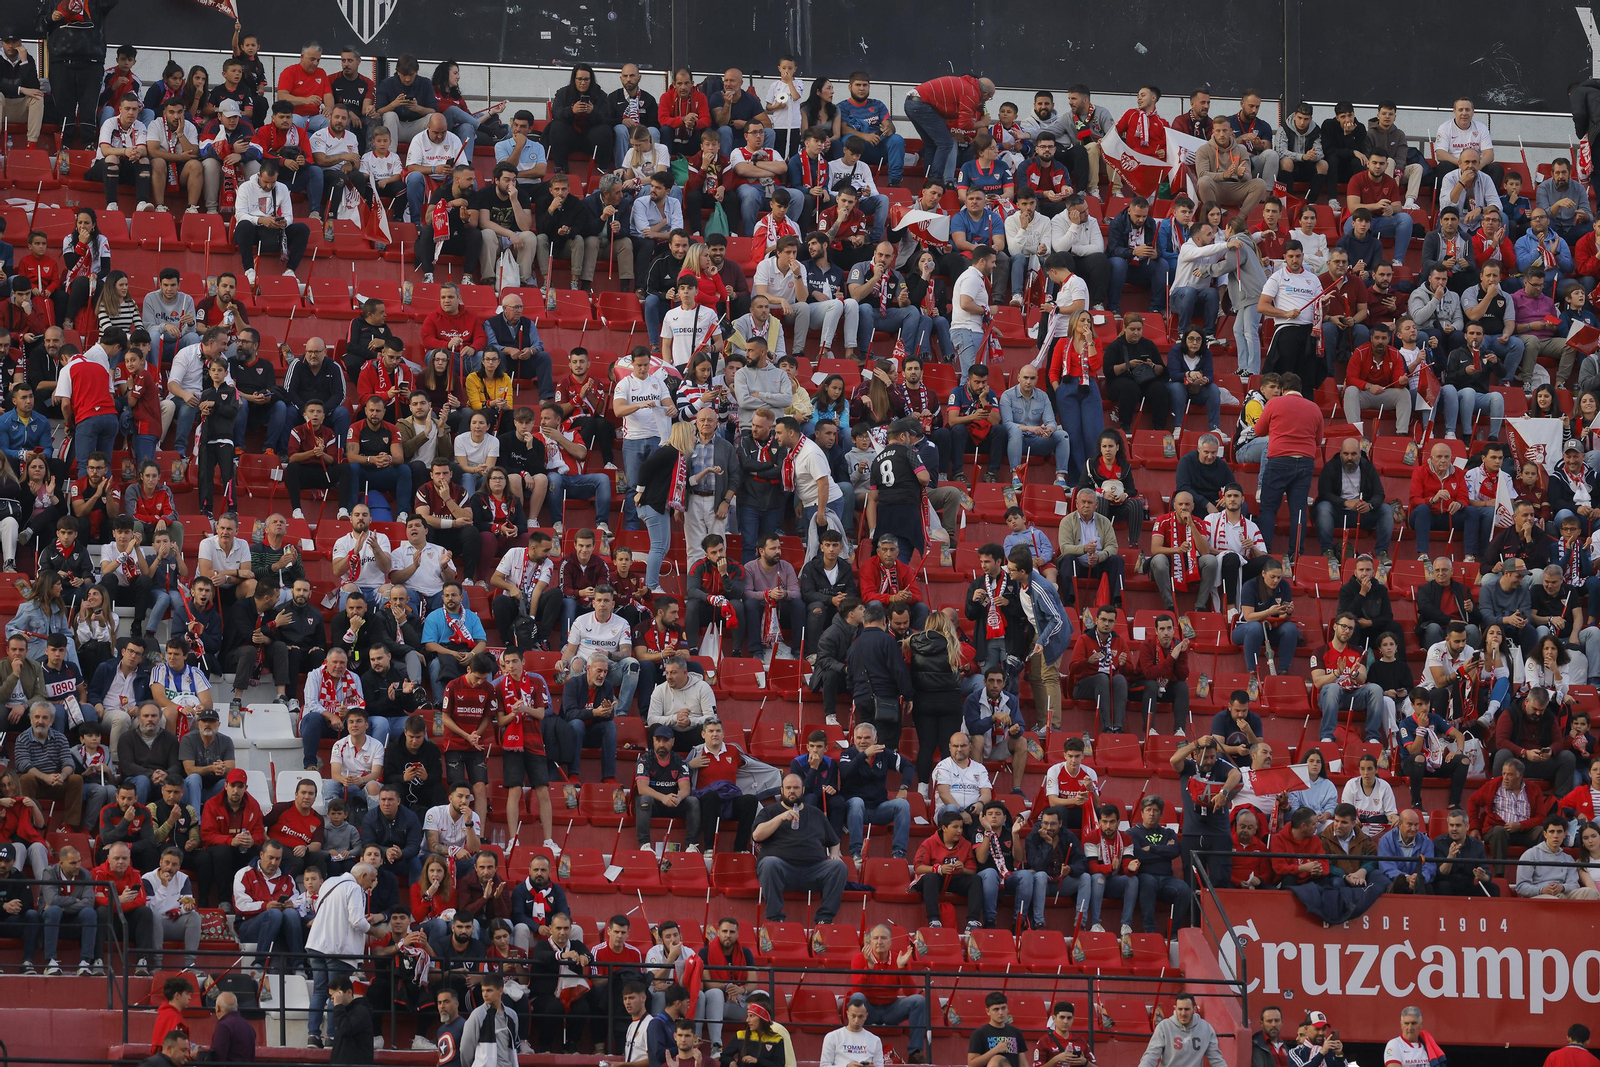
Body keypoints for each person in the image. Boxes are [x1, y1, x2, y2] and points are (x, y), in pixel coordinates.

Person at [753, 774, 847, 923]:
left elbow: (834, 840)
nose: (792, 791)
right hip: (782, 871)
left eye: (796, 788)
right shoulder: (769, 811)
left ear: (803, 790)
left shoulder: (816, 813)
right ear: (782, 790)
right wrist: (780, 818)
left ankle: (825, 919)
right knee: (769, 863)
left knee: (838, 866)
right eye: (788, 788)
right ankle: (775, 918)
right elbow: (757, 835)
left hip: (814, 870)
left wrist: (835, 853)